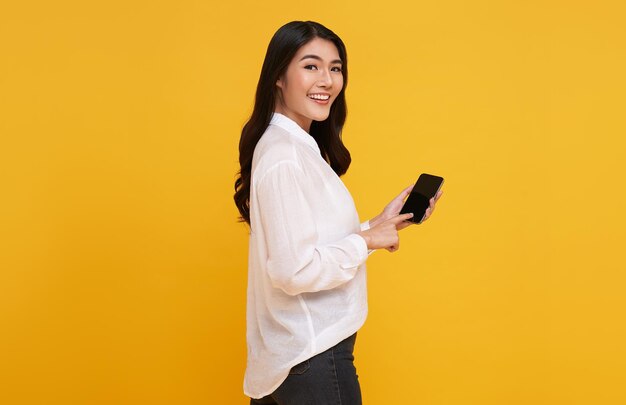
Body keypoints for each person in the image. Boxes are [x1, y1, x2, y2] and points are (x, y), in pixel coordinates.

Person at [234, 20, 443, 405]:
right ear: (278, 76)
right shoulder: (284, 155)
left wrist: (378, 226)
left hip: (294, 360)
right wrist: (365, 240)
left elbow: (308, 246)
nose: (327, 80)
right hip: (314, 358)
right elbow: (291, 270)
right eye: (311, 66)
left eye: (335, 68)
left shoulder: (296, 148)